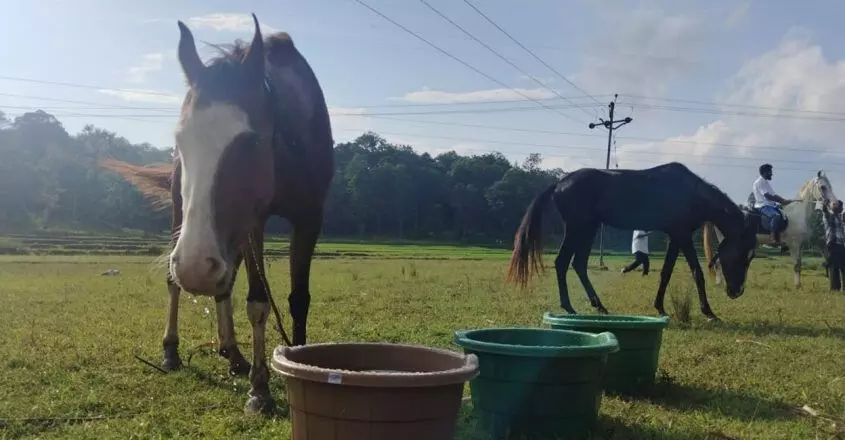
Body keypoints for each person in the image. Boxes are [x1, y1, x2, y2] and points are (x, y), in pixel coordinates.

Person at [752, 163, 793, 247]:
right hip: (762, 206)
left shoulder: (765, 182)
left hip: (770, 205)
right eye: (769, 172)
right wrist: (783, 201)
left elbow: (774, 195)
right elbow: (767, 196)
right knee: (776, 216)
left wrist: (783, 201)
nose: (771, 173)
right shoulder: (760, 182)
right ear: (764, 172)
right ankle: (774, 240)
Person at [821, 199, 845, 291]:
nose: (836, 206)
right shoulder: (829, 216)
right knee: (834, 267)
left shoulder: (841, 217)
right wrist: (824, 205)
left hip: (841, 245)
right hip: (832, 244)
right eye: (834, 204)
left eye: (839, 205)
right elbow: (825, 211)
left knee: (844, 267)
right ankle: (835, 289)